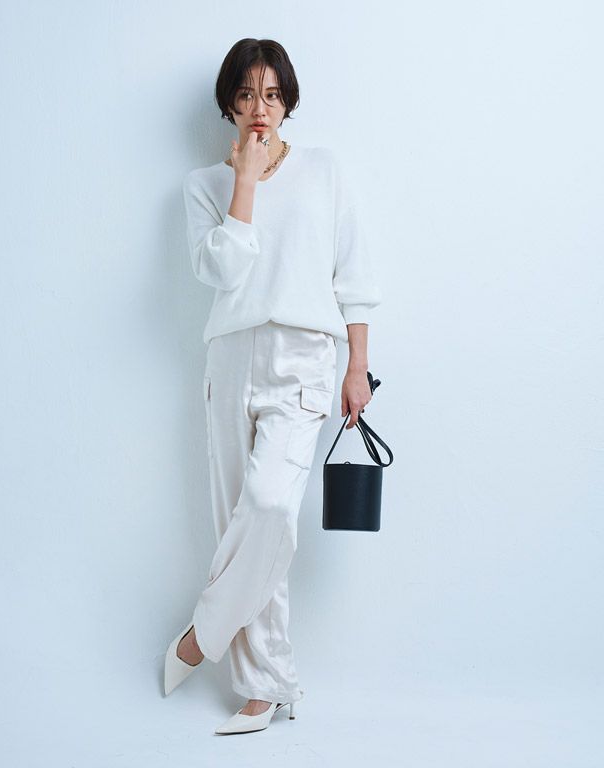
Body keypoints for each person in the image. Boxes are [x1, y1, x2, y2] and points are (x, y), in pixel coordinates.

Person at [164, 38, 382, 735]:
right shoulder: (204, 186)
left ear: (287, 100)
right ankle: (266, 689)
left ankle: (201, 635)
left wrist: (356, 365)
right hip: (232, 358)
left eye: (272, 94)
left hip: (304, 359)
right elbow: (222, 272)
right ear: (229, 103)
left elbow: (354, 275)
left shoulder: (324, 171)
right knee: (245, 525)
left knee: (268, 508)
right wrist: (247, 183)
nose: (260, 108)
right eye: (246, 94)